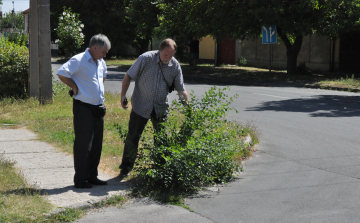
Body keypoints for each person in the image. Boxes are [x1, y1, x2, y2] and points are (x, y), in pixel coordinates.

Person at [119, 38, 190, 176]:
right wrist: (123, 96)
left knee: (161, 138)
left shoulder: (174, 65)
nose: (168, 58)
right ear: (160, 50)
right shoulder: (145, 59)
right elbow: (128, 76)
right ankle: (126, 168)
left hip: (160, 107)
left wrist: (188, 108)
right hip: (141, 105)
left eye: (171, 55)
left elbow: (181, 89)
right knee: (133, 136)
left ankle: (161, 169)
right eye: (165, 55)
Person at [57, 34, 111, 189]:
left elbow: (103, 77)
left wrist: (95, 90)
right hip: (83, 107)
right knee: (83, 144)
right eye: (103, 52)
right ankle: (81, 179)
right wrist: (74, 87)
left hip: (98, 108)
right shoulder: (79, 59)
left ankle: (92, 176)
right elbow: (62, 73)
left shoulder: (100, 62)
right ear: (95, 48)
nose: (105, 55)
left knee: (96, 144)